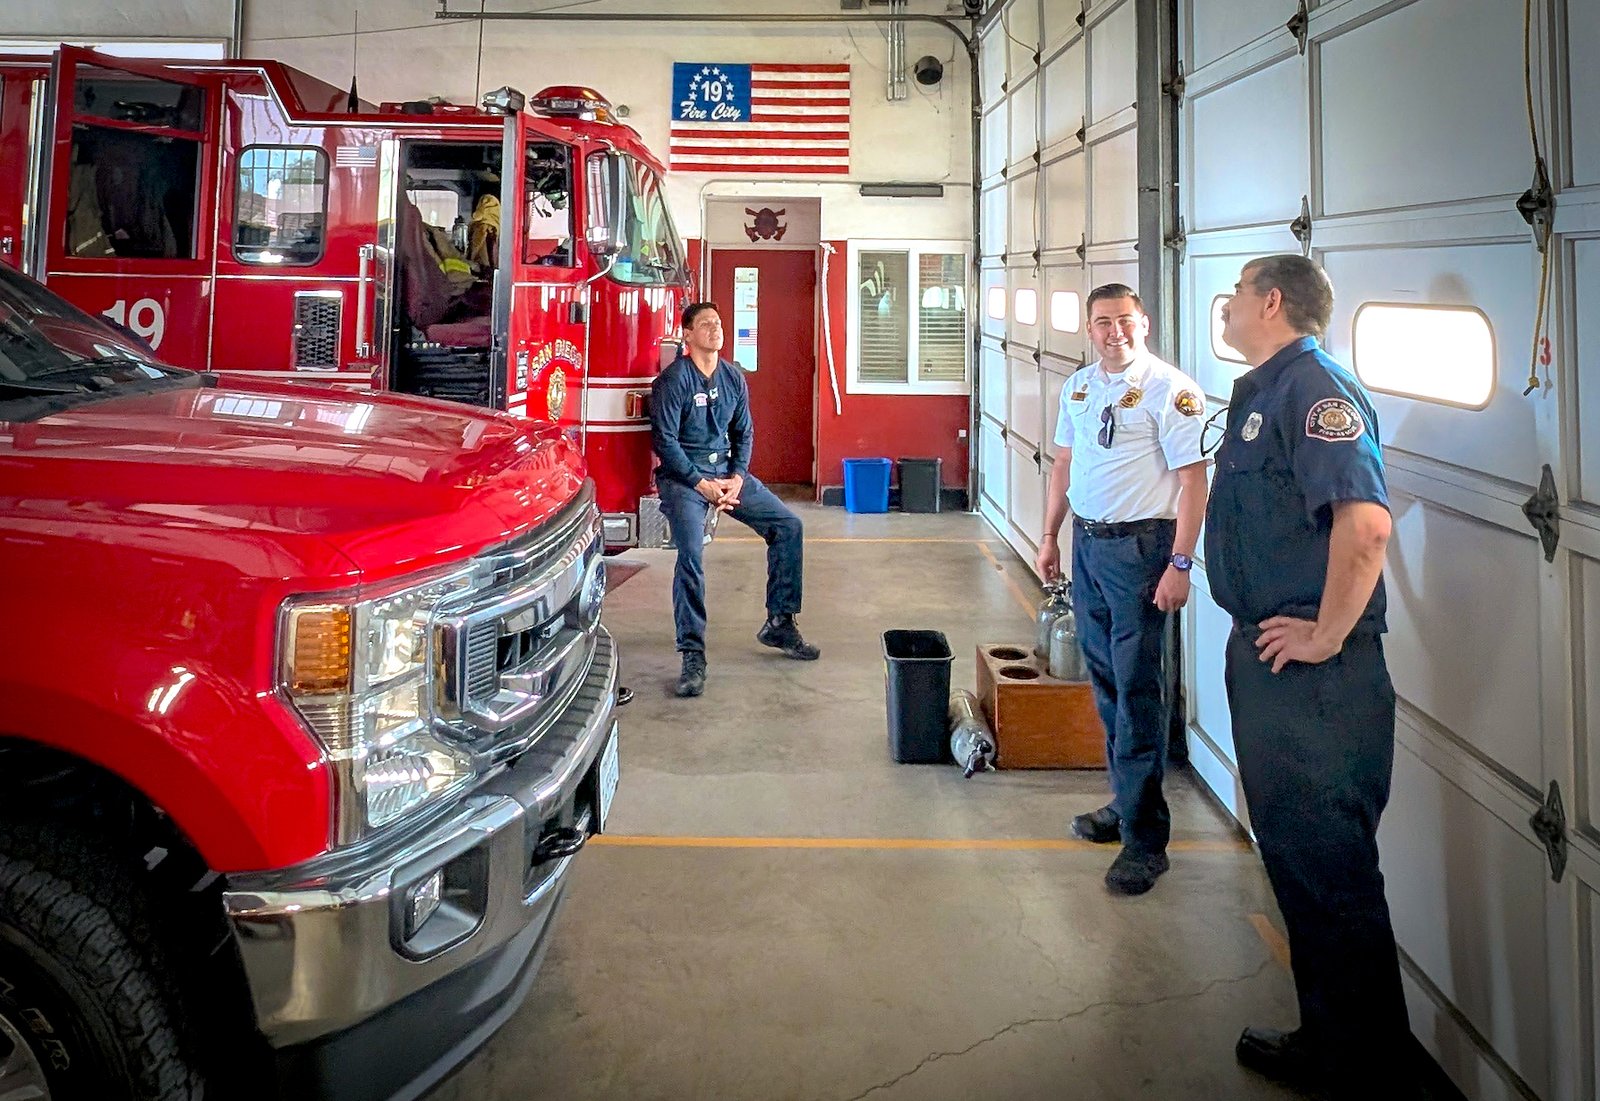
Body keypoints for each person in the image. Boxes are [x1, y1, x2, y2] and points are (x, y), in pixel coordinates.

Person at [1206, 255, 1410, 1096]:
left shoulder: (1315, 391)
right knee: (1302, 869)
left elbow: (1366, 526)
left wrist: (1327, 635)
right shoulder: (1267, 390)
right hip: (1273, 667)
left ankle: (1369, 1071)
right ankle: (1331, 1044)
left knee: (1333, 877)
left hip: (1317, 687)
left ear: (1272, 302)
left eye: (1236, 293)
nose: (1226, 307)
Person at [1035, 284, 1208, 895]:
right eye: (1104, 322)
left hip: (1142, 552)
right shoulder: (1080, 386)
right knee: (1106, 684)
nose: (1116, 332)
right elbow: (1064, 463)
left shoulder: (1172, 390)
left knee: (1136, 692)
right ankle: (1127, 801)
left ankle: (1146, 842)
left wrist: (1180, 563)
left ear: (1145, 324)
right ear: (1089, 329)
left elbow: (1193, 481)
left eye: (1126, 321)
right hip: (1088, 545)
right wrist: (1049, 536)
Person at [651, 302, 820, 698]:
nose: (715, 329)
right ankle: (692, 653)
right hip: (684, 479)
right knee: (690, 553)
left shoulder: (732, 377)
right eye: (705, 324)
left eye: (718, 323)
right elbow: (665, 443)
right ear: (687, 335)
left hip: (727, 475)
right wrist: (700, 484)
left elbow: (744, 433)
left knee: (788, 526)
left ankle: (780, 623)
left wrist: (738, 478)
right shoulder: (673, 381)